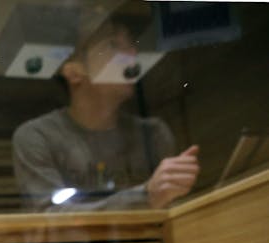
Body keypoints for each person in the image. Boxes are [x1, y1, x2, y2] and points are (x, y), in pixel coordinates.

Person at [12, 14, 200, 212]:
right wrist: (145, 197)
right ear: (74, 72)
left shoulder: (154, 134)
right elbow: (49, 219)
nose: (132, 53)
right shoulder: (36, 137)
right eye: (113, 45)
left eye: (130, 44)